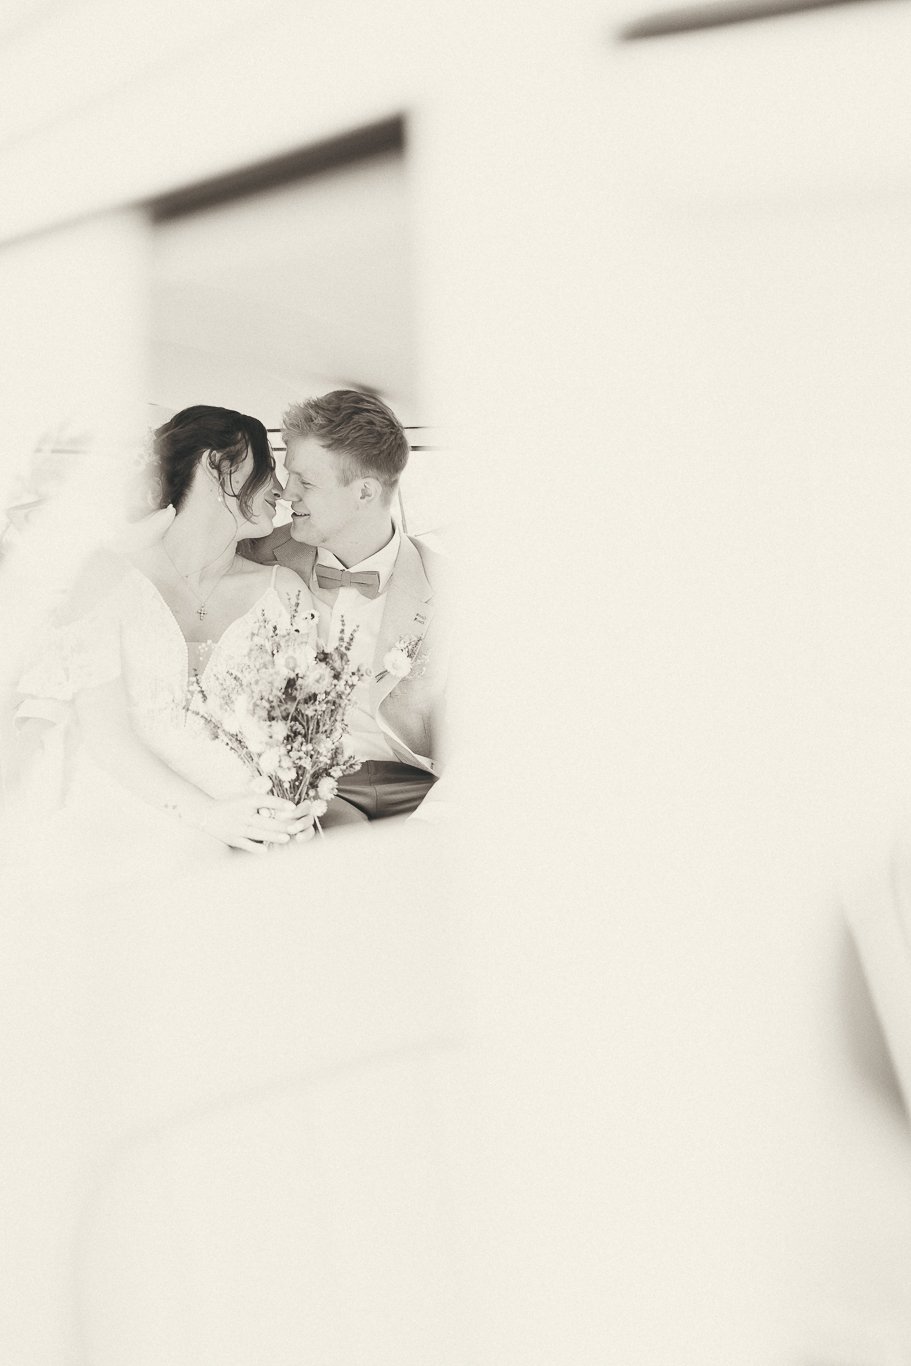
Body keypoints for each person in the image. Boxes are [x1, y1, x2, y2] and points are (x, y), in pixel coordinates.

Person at [13, 404, 317, 864]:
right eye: (268, 465)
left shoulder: (284, 593)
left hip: (251, 826)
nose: (279, 488)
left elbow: (299, 737)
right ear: (216, 464)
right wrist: (209, 818)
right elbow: (105, 733)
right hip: (125, 822)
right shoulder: (106, 577)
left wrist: (276, 816)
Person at [241, 390, 445, 821]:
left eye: (306, 482)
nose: (284, 493)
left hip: (425, 786)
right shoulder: (257, 558)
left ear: (365, 493)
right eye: (288, 474)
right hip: (318, 787)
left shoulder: (451, 587)